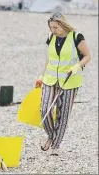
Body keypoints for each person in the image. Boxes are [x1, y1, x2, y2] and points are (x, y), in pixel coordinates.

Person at [35, 12, 91, 155]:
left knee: (63, 114)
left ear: (63, 24)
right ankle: (52, 136)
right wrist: (41, 75)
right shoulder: (51, 37)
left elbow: (87, 56)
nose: (53, 30)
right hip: (50, 79)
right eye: (51, 27)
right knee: (44, 109)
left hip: (70, 80)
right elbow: (49, 59)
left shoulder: (76, 37)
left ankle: (55, 145)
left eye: (56, 27)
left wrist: (76, 67)